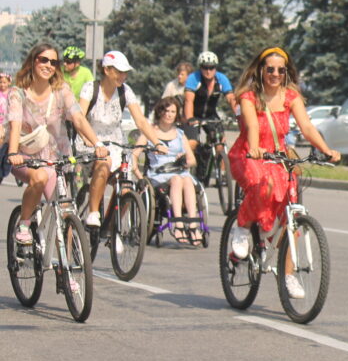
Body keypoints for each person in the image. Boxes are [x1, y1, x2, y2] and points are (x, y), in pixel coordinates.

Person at [227, 46, 340, 299]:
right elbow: (253, 124)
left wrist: (326, 149)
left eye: (281, 70)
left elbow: (307, 127)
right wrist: (255, 148)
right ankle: (242, 227)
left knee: (292, 218)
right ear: (261, 70)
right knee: (262, 185)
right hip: (250, 153)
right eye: (270, 69)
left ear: (286, 72)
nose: (275, 74)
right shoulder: (249, 97)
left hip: (278, 156)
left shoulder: (291, 97)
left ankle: (288, 276)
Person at [7, 43, 109, 288]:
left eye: (53, 62)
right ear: (33, 61)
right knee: (40, 177)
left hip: (58, 159)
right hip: (27, 158)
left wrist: (97, 143)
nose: (48, 66)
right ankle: (24, 224)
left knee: (65, 212)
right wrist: (12, 152)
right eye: (43, 60)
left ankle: (66, 270)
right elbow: (15, 124)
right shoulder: (17, 93)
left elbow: (77, 118)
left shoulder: (61, 90)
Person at [79, 51, 165, 229]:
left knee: (127, 186)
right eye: (119, 71)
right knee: (104, 163)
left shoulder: (125, 91)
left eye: (125, 72)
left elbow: (140, 121)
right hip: (90, 141)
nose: (123, 76)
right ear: (107, 70)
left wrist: (156, 142)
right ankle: (93, 213)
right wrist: (91, 141)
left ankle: (112, 229)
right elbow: (79, 118)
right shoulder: (91, 88)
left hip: (116, 142)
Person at [134, 96, 201, 245]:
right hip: (159, 173)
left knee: (187, 179)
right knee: (177, 180)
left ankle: (193, 224)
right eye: (166, 111)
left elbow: (192, 160)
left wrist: (184, 158)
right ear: (160, 112)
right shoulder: (149, 132)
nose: (169, 114)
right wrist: (138, 176)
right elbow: (134, 155)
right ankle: (177, 224)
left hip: (179, 170)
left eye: (173, 111)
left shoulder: (180, 134)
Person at [183, 51, 238, 151]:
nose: (208, 71)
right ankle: (190, 164)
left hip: (210, 115)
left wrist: (239, 114)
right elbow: (188, 100)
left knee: (220, 144)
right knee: (192, 143)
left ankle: (219, 166)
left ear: (215, 68)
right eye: (205, 67)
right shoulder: (194, 78)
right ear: (200, 67)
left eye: (211, 67)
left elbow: (231, 98)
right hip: (193, 115)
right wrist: (190, 118)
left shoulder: (221, 79)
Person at [0, 72, 11, 141]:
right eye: (0, 82)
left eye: (4, 82)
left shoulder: (12, 93)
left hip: (9, 120)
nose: (2, 84)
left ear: (9, 83)